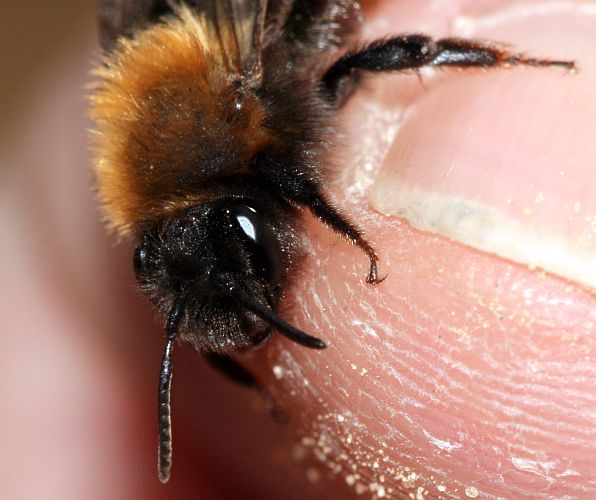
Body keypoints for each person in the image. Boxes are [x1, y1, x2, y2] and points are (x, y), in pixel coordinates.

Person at [1, 1, 593, 498]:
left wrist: (348, 231)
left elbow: (348, 78)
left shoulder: (234, 96)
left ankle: (514, 63)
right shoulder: (174, 140)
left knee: (353, 64)